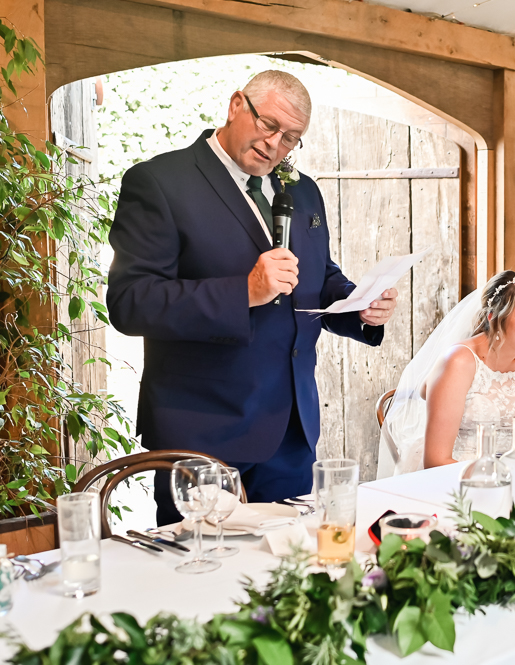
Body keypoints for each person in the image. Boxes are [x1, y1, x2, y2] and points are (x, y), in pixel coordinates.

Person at [107, 71, 398, 521]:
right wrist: (244, 291)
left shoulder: (302, 190)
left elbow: (316, 275)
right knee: (204, 560)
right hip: (203, 431)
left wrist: (359, 305)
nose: (275, 144)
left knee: (291, 561)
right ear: (236, 105)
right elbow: (131, 302)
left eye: (291, 138)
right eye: (269, 125)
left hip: (291, 432)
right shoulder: (160, 182)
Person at [378, 271, 515, 476]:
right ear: (493, 318)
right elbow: (436, 461)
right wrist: (498, 478)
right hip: (455, 475)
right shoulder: (459, 362)